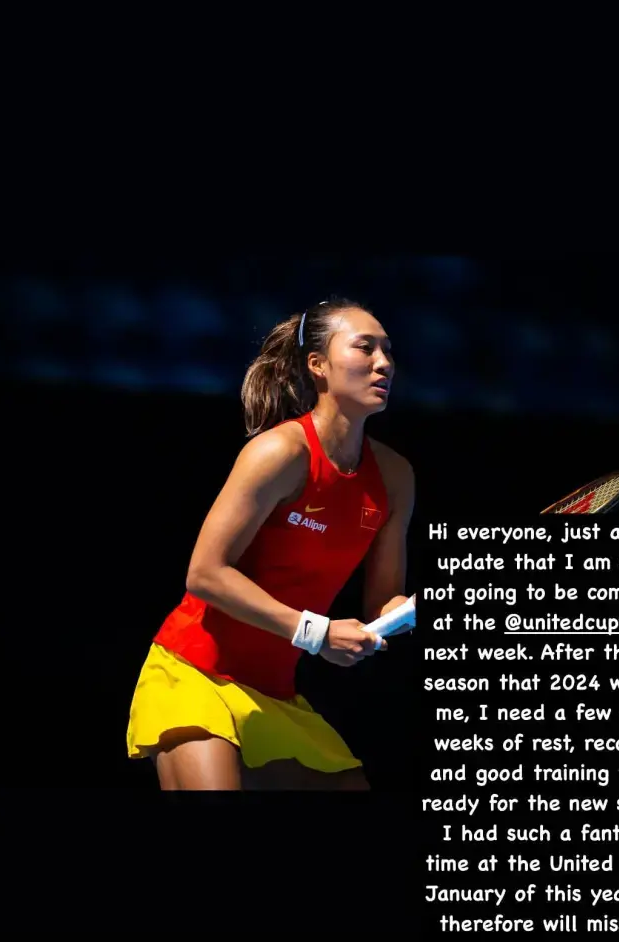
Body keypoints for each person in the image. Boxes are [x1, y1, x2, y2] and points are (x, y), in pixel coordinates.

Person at [126, 295, 415, 790]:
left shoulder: (394, 477)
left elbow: (383, 601)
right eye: (365, 347)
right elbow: (205, 573)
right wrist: (316, 633)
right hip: (194, 672)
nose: (383, 362)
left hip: (274, 694)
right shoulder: (279, 452)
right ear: (318, 365)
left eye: (388, 350)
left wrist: (410, 611)